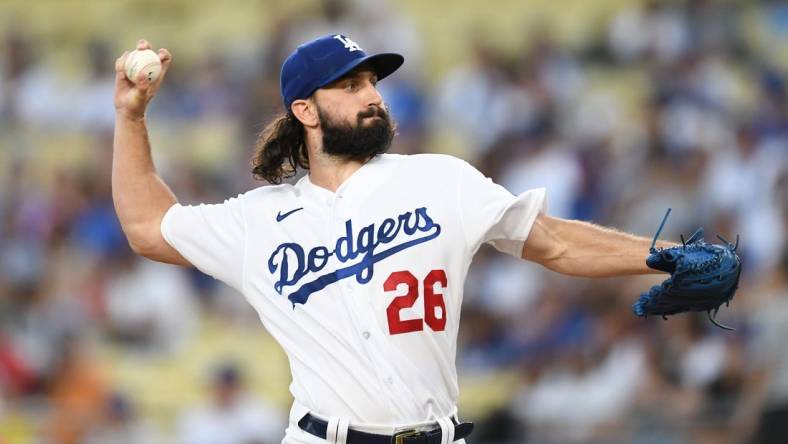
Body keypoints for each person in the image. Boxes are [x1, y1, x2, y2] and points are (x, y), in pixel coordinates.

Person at [112, 35, 676, 444]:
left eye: (373, 84)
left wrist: (666, 258)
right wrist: (130, 119)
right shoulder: (257, 221)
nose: (373, 96)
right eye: (352, 85)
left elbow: (552, 242)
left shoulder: (439, 179)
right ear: (304, 109)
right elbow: (146, 227)